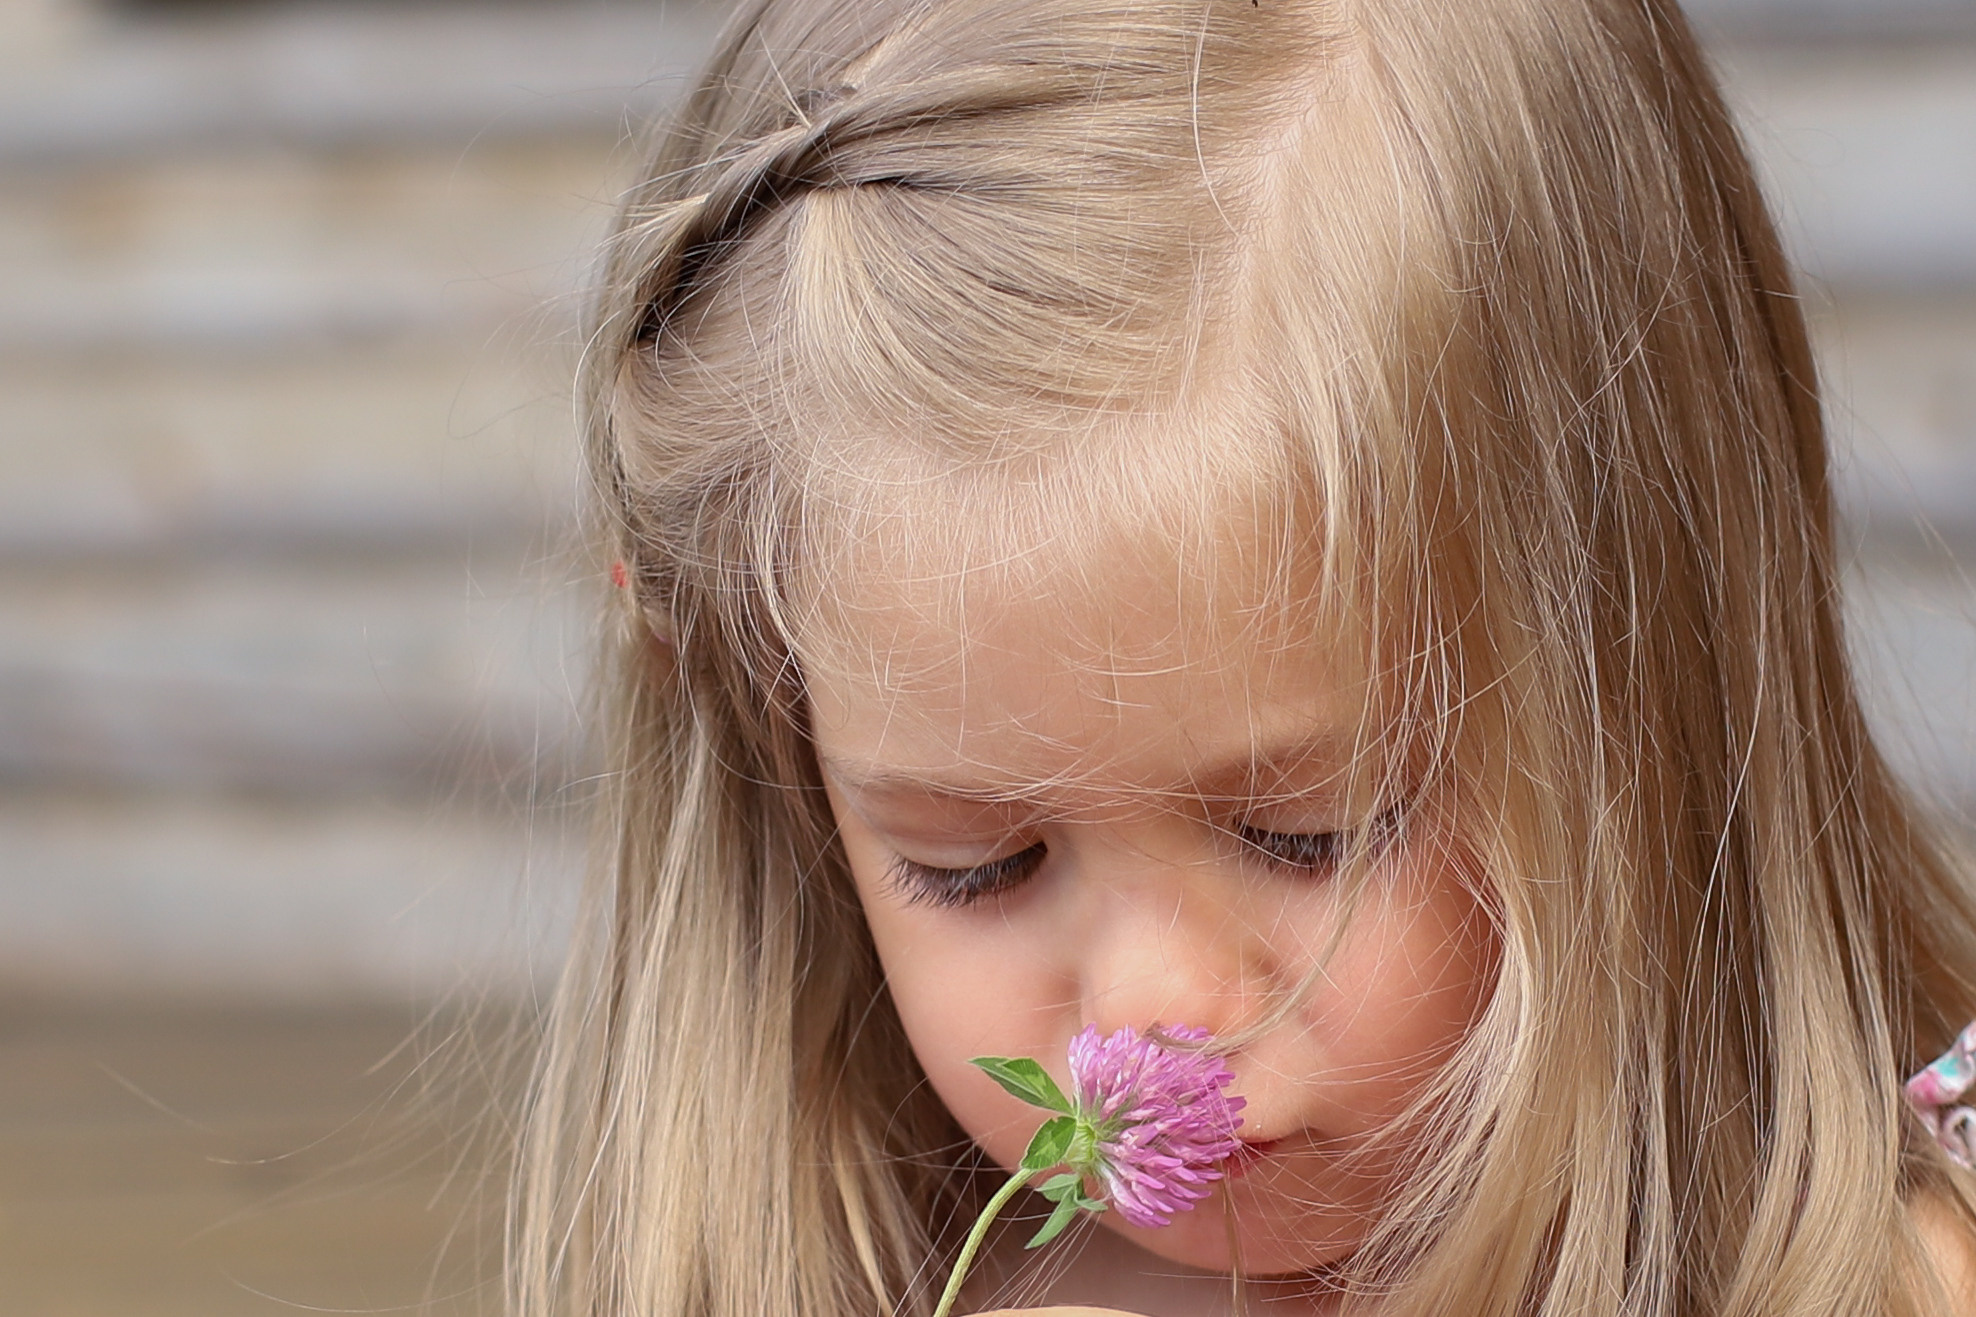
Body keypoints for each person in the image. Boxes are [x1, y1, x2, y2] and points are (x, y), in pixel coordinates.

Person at [512, 0, 1976, 1312]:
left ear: (1649, 689)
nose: (1149, 1019)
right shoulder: (888, 1276)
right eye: (980, 863)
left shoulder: (1874, 1278)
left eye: (1305, 836)